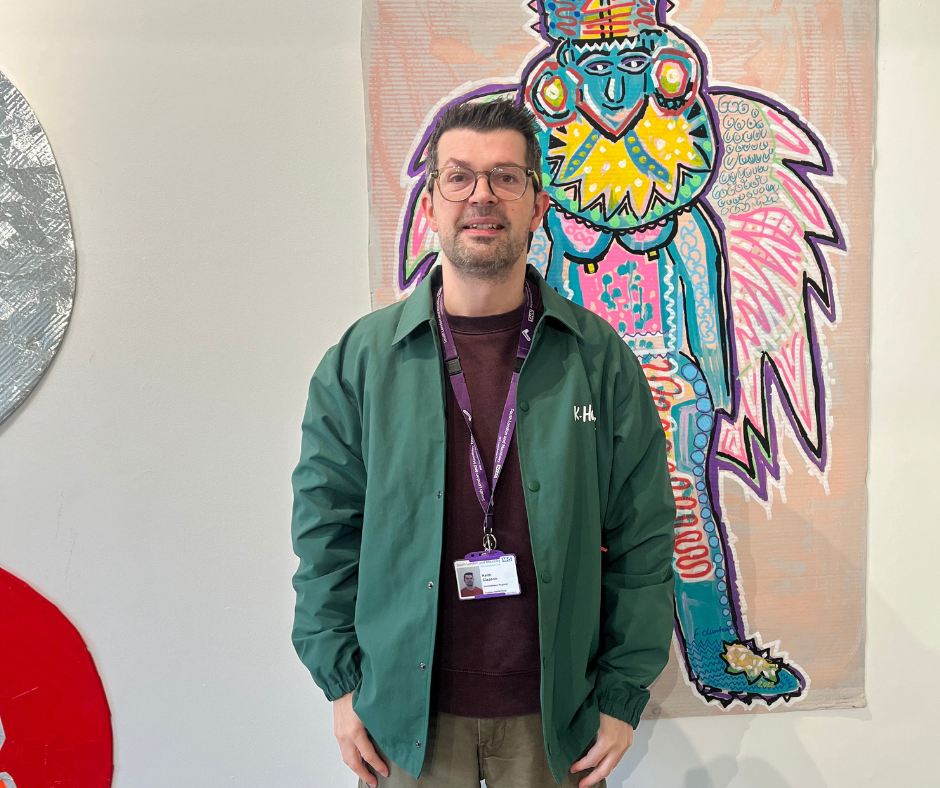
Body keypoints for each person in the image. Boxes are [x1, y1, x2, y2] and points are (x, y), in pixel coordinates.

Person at [291, 99, 676, 788]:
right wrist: (343, 689)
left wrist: (621, 699)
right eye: (459, 177)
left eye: (506, 176)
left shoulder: (600, 360)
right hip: (405, 726)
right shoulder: (361, 362)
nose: (482, 197)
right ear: (432, 204)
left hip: (555, 724)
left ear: (537, 206)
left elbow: (643, 539)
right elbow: (325, 538)